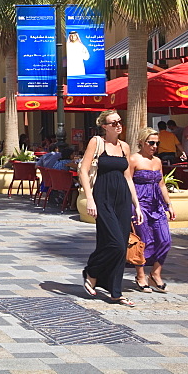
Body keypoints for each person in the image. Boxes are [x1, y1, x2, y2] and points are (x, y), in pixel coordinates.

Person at [79, 110, 143, 307]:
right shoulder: (97, 142)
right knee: (114, 243)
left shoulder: (124, 146)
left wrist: (137, 205)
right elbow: (83, 169)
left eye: (119, 122)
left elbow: (127, 177)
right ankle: (92, 271)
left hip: (122, 198)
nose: (118, 125)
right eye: (113, 123)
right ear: (104, 126)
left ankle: (115, 292)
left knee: (120, 245)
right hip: (103, 196)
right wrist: (90, 199)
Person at [128, 127, 174, 293]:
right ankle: (140, 275)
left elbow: (161, 184)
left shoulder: (157, 161)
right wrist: (135, 206)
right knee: (144, 241)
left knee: (165, 239)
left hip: (156, 205)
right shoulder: (133, 159)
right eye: (151, 142)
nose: (155, 146)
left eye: (157, 143)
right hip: (140, 204)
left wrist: (169, 204)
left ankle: (155, 273)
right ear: (141, 142)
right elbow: (129, 182)